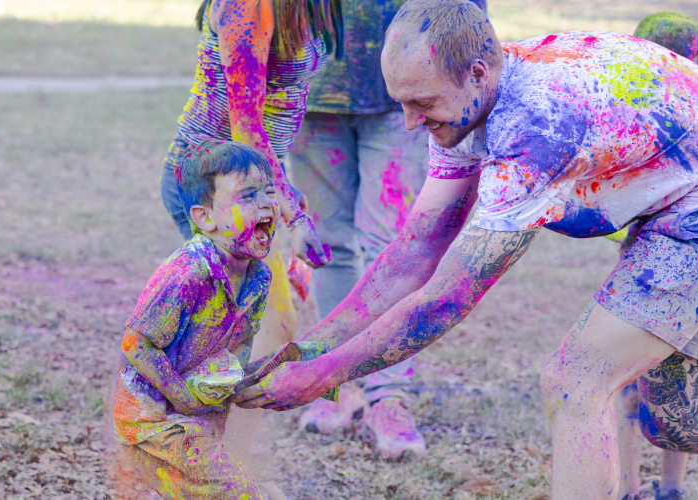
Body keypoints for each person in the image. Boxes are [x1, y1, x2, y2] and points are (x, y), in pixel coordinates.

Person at [232, 1, 698, 498]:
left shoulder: (534, 129)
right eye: (402, 103)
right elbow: (415, 250)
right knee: (680, 421)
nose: (412, 122)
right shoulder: (466, 104)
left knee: (576, 381)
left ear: (478, 74)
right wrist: (307, 353)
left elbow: (446, 298)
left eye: (423, 103)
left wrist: (323, 376)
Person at [286, 0, 493, 460]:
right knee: (327, 246)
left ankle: (389, 396)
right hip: (309, 84)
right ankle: (338, 386)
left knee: (397, 246)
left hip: (405, 89)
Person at [157, 0, 342, 466]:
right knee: (264, 333)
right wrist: (291, 219)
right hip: (216, 185)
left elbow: (274, 123)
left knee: (252, 334)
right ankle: (213, 474)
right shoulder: (247, 4)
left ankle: (216, 472)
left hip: (252, 186)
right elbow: (246, 125)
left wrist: (286, 205)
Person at [112, 140, 279, 498]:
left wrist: (235, 375)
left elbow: (243, 339)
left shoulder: (259, 277)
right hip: (154, 421)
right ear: (206, 218)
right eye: (248, 196)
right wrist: (184, 396)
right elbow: (136, 342)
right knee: (237, 491)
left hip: (199, 415)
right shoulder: (188, 273)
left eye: (269, 191)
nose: (266, 203)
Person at [615, 11, 698, 500]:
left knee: (632, 381)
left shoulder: (636, 120)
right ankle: (663, 488)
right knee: (677, 385)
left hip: (652, 269)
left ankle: (634, 487)